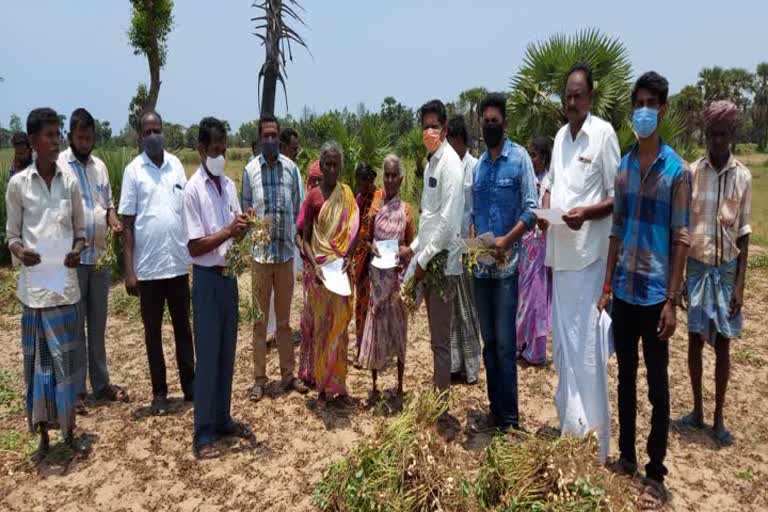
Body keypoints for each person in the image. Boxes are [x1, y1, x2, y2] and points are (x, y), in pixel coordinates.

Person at [598, 71, 690, 508]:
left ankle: (656, 470)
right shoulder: (625, 166)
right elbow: (616, 230)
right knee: (626, 381)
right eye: (639, 103)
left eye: (652, 103)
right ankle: (628, 457)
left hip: (655, 296)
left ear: (663, 109)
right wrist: (606, 285)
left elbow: (681, 240)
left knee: (657, 387)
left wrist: (672, 301)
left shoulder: (677, 171)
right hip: (624, 292)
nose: (644, 111)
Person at [542, 64, 621, 459]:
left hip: (590, 259)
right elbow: (550, 184)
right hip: (561, 258)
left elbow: (616, 197)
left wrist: (583, 215)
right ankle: (571, 430)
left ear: (589, 97)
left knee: (589, 353)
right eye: (567, 96)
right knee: (566, 353)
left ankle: (595, 440)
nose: (571, 102)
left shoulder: (603, 134)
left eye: (578, 95)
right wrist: (544, 212)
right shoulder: (560, 137)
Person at [6, 107, 86, 454]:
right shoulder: (18, 185)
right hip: (36, 292)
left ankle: (68, 433)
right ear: (34, 141)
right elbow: (11, 235)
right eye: (50, 135)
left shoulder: (70, 182)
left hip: (65, 287)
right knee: (39, 369)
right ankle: (42, 435)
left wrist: (77, 251)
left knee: (66, 366)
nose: (56, 141)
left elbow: (81, 232)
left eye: (58, 134)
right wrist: (20, 252)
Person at [675, 101, 751, 447]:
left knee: (722, 344)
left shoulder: (743, 176)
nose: (718, 140)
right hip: (697, 267)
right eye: (713, 134)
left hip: (725, 270)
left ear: (732, 134)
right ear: (707, 134)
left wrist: (739, 285)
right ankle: (697, 410)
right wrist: (679, 281)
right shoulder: (693, 172)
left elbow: (745, 234)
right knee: (693, 340)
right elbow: (684, 227)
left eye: (723, 134)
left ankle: (719, 417)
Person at [183, 117, 253, 458]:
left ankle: (223, 418)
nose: (220, 155)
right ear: (200, 150)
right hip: (207, 280)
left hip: (228, 280)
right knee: (208, 357)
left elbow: (234, 230)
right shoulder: (193, 189)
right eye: (214, 150)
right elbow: (195, 246)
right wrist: (228, 230)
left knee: (227, 353)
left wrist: (244, 225)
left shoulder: (228, 185)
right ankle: (203, 432)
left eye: (223, 150)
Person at [119, 110, 195, 415]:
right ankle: (159, 393)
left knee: (183, 329)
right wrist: (129, 269)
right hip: (148, 268)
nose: (153, 136)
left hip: (177, 263)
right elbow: (127, 223)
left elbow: (186, 210)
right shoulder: (133, 171)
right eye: (147, 131)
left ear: (164, 131)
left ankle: (191, 387)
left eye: (157, 130)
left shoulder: (176, 165)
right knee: (152, 333)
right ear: (140, 136)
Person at [470, 93, 538, 433]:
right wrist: (474, 242)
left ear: (505, 124)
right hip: (481, 269)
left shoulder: (520, 158)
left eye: (495, 122)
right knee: (489, 344)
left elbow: (531, 209)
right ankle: (495, 410)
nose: (490, 127)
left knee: (505, 343)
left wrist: (506, 241)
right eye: (486, 122)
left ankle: (510, 420)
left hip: (507, 269)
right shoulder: (479, 167)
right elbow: (474, 213)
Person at [60, 108, 128, 411]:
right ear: (70, 136)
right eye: (80, 137)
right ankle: (76, 392)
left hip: (99, 259)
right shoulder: (61, 166)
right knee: (75, 326)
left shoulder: (99, 167)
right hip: (73, 261)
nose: (85, 142)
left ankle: (100, 384)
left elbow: (107, 203)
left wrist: (113, 219)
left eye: (89, 137)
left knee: (98, 325)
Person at [401, 99, 464, 428]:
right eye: (425, 126)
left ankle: (441, 409)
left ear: (445, 128)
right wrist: (413, 248)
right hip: (426, 257)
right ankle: (427, 396)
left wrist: (422, 260)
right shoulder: (431, 162)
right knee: (416, 326)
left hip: (441, 265)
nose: (429, 131)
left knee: (440, 341)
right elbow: (430, 218)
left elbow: (449, 223)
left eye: (434, 126)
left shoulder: (451, 165)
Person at [241, 115, 307, 401]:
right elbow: (244, 207)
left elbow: (299, 211)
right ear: (259, 139)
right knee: (258, 321)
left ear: (279, 139)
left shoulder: (291, 170)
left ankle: (288, 375)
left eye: (273, 136)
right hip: (259, 257)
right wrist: (251, 221)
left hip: (284, 257)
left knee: (283, 322)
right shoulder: (249, 171)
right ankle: (259, 379)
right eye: (265, 136)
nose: (270, 140)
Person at [302, 141, 360, 406]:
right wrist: (314, 266)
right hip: (321, 274)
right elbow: (305, 239)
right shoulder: (313, 197)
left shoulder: (347, 195)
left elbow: (355, 231)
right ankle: (322, 389)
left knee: (341, 329)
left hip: (340, 272)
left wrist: (348, 257)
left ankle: (339, 386)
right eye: (327, 164)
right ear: (321, 165)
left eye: (336, 164)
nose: (332, 169)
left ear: (341, 166)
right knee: (322, 330)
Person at [357, 155, 415, 401]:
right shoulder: (375, 206)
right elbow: (366, 239)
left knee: (398, 331)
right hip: (377, 277)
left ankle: (400, 385)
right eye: (387, 175)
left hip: (397, 279)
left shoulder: (406, 210)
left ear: (400, 179)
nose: (390, 180)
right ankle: (374, 385)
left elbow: (411, 245)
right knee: (376, 328)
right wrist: (373, 249)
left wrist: (404, 253)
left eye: (394, 175)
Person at [445, 115, 482, 385]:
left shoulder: (475, 167)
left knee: (469, 310)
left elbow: (477, 209)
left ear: (458, 139)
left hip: (469, 250)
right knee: (451, 310)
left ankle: (470, 368)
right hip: (448, 248)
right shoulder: (446, 167)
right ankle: (454, 364)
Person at [517, 136, 552, 366]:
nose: (531, 159)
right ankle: (521, 342)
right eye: (529, 154)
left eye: (535, 155)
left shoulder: (548, 182)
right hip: (525, 244)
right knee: (522, 297)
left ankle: (536, 349)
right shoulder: (529, 179)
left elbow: (546, 216)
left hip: (538, 245)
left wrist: (539, 210)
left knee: (535, 298)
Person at [351, 162, 383, 360]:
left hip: (377, 258)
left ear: (371, 179)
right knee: (361, 305)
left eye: (365, 180)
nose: (362, 184)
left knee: (375, 305)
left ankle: (375, 348)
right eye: (359, 180)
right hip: (360, 259)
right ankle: (361, 347)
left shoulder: (379, 198)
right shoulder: (359, 199)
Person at [296, 160, 323, 387]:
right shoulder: (307, 201)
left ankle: (321, 371)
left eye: (319, 180)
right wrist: (302, 248)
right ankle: (307, 371)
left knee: (323, 321)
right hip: (309, 270)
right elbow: (299, 233)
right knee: (309, 322)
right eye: (312, 179)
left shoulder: (328, 203)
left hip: (325, 270)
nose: (315, 183)